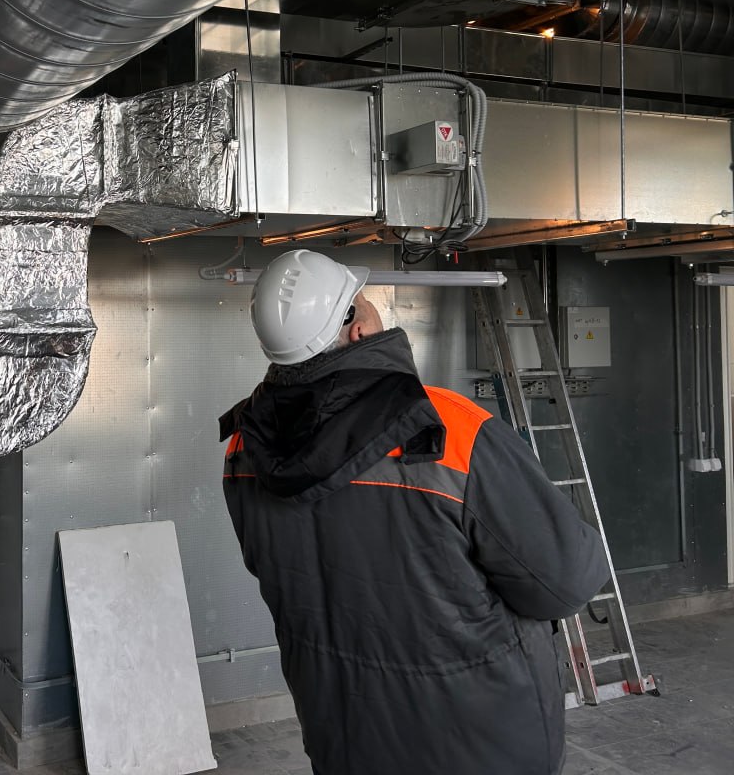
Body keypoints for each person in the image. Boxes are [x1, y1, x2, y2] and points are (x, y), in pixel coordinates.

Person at [220, 249, 610, 775]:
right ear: (357, 328)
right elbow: (567, 581)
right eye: (364, 300)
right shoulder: (449, 430)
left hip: (343, 740)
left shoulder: (244, 447)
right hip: (483, 745)